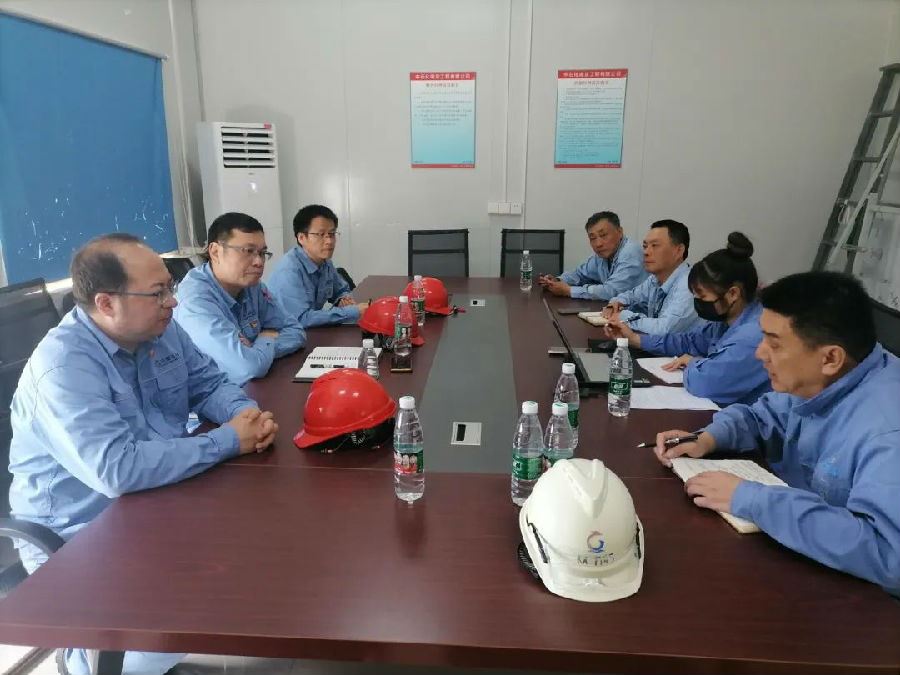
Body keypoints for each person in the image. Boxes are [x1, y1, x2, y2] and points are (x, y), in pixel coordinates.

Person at [7, 234, 279, 675]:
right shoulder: (64, 368)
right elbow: (119, 469)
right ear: (106, 303)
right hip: (79, 536)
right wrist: (229, 440)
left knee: (260, 560)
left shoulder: (161, 330)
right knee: (198, 614)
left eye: (170, 287)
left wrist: (246, 415)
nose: (173, 302)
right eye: (158, 293)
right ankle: (83, 658)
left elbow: (209, 383)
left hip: (157, 503)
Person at [655, 272, 900, 596]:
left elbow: (888, 554)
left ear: (830, 357)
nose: (760, 353)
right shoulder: (822, 377)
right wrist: (707, 438)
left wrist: (753, 500)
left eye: (774, 343)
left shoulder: (886, 430)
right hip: (803, 555)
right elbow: (761, 416)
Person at [605, 232, 770, 405]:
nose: (697, 301)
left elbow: (705, 384)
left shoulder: (753, 336)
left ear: (733, 294)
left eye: (702, 295)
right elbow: (689, 341)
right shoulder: (726, 321)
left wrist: (694, 362)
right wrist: (635, 339)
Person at [174, 212, 305, 385]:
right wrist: (266, 338)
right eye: (248, 251)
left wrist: (258, 350)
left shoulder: (252, 286)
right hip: (211, 397)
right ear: (215, 252)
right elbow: (248, 367)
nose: (259, 262)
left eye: (262, 253)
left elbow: (296, 331)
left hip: (251, 389)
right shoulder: (196, 300)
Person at [267, 204, 368, 328]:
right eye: (321, 234)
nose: (329, 241)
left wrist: (343, 299)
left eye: (332, 234)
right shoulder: (288, 271)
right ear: (301, 238)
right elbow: (301, 319)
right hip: (282, 333)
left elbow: (341, 290)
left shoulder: (325, 263)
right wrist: (351, 312)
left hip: (310, 331)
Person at [601, 219, 702, 334]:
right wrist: (616, 303)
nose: (646, 252)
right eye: (645, 246)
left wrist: (623, 315)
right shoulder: (654, 279)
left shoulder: (689, 285)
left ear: (679, 251)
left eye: (655, 246)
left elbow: (664, 329)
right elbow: (630, 296)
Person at [538, 211, 646, 301]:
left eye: (603, 235)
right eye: (593, 238)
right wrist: (557, 281)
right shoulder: (602, 255)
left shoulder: (630, 252)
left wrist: (568, 291)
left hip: (640, 315)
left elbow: (611, 291)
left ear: (620, 231)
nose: (598, 244)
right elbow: (579, 274)